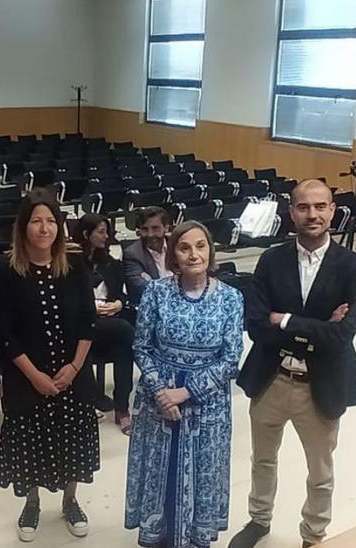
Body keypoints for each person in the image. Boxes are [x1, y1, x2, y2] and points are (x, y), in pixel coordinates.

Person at [229, 179, 356, 548]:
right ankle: (258, 521)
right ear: (291, 213)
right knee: (262, 461)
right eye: (304, 207)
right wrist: (320, 327)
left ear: (332, 211)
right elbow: (257, 326)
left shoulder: (354, 266)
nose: (313, 215)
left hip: (321, 385)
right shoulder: (271, 259)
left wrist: (286, 320)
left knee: (320, 473)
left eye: (320, 206)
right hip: (272, 377)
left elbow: (343, 336)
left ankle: (313, 535)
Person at [125, 221, 244, 548]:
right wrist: (163, 394)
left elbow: (231, 357)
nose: (194, 254)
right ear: (173, 254)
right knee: (160, 474)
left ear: (211, 250)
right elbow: (141, 347)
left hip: (206, 406)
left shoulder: (231, 298)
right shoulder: (156, 292)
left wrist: (186, 392)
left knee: (202, 478)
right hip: (157, 400)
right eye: (184, 247)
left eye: (201, 246)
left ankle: (194, 539)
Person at [0, 189, 100, 543]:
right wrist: (35, 376)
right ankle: (33, 503)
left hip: (72, 374)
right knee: (30, 444)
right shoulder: (6, 269)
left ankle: (70, 501)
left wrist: (74, 367)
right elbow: (4, 332)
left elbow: (88, 321)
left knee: (72, 440)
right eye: (36, 221)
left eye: (51, 221)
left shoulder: (75, 264)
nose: (44, 228)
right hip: (27, 378)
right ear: (23, 227)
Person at [72, 212, 135, 433]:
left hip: (108, 323)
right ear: (86, 234)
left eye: (107, 231)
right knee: (125, 330)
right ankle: (89, 402)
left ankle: (122, 406)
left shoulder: (111, 263)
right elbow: (69, 300)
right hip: (80, 325)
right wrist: (92, 308)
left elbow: (121, 295)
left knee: (124, 344)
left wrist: (118, 304)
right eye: (101, 231)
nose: (106, 236)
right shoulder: (71, 263)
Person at [123, 206, 173, 306]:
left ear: (166, 228)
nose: (150, 234)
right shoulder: (132, 254)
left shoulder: (178, 246)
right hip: (152, 307)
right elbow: (144, 289)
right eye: (145, 229)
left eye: (155, 228)